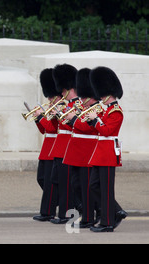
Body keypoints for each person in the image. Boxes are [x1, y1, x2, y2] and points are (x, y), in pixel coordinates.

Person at [85, 66, 127, 232]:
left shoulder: (116, 111)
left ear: (109, 92)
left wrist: (95, 120)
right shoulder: (106, 110)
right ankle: (116, 211)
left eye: (101, 93)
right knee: (94, 186)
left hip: (108, 153)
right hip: (100, 152)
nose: (100, 96)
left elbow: (107, 131)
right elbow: (98, 129)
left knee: (105, 188)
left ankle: (107, 222)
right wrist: (91, 120)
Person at [62, 68, 100, 228]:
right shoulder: (83, 107)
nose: (82, 98)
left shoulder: (97, 108)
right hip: (77, 152)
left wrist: (74, 119)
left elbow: (88, 128)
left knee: (86, 186)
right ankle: (87, 213)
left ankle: (89, 218)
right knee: (77, 185)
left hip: (87, 151)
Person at [48, 63, 78, 224]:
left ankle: (67, 215)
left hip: (69, 146)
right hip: (61, 146)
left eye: (63, 90)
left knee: (67, 185)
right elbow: (55, 128)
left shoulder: (76, 105)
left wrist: (61, 115)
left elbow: (77, 125)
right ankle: (66, 213)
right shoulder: (67, 105)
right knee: (59, 182)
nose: (61, 93)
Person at [32, 68, 60, 222]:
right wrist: (37, 119)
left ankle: (48, 211)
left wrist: (41, 116)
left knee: (49, 182)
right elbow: (44, 130)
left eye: (52, 97)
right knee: (41, 179)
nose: (50, 99)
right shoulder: (52, 108)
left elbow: (52, 128)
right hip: (47, 147)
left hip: (55, 146)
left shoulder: (60, 108)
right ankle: (53, 203)